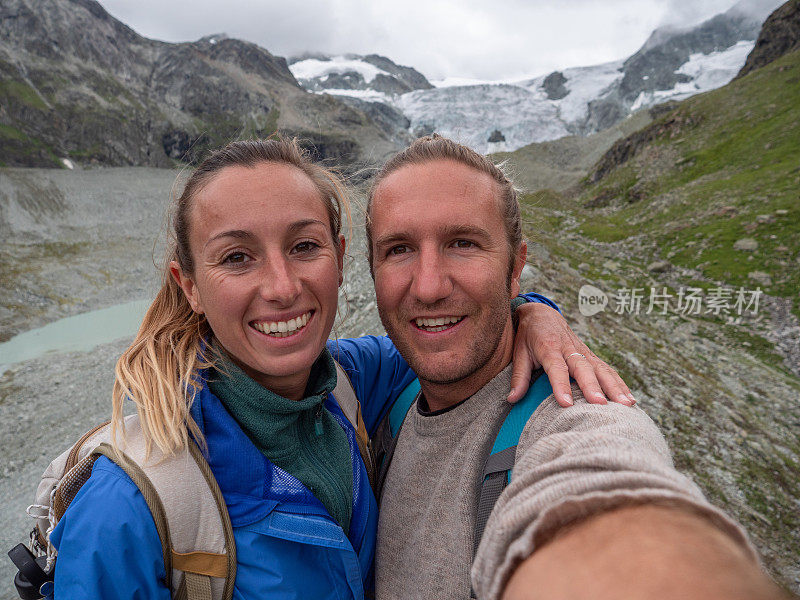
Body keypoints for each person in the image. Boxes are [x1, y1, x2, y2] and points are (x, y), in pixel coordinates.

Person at [45, 138, 634, 599]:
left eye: (304, 246)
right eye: (237, 258)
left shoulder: (353, 380)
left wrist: (532, 313)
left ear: (341, 258)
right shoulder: (130, 504)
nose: (281, 287)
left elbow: (455, 339)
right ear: (189, 286)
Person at [367, 135, 785, 600]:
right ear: (372, 271)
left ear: (515, 268)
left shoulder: (573, 419)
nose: (427, 286)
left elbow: (602, 491)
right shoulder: (382, 399)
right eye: (399, 249)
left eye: (463, 243)